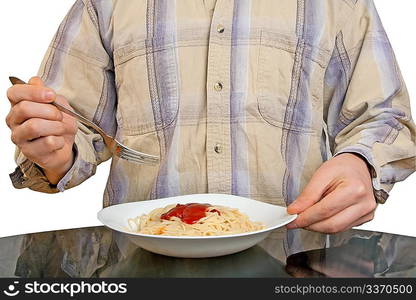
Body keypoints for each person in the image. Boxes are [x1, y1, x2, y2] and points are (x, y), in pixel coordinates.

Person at [5, 0, 416, 261]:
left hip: (296, 266)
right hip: (140, 269)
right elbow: (69, 130)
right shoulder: (103, 4)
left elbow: (384, 116)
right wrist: (52, 149)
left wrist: (361, 161)